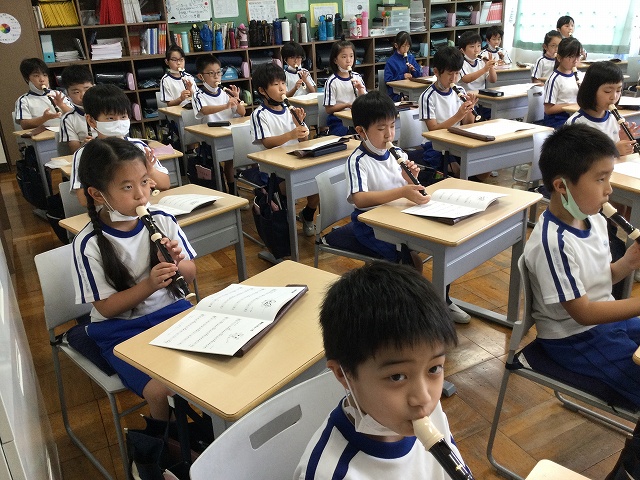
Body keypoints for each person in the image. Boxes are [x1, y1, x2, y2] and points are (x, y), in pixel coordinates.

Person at [294, 261, 468, 478]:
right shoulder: (330, 473)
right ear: (342, 374)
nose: (423, 397)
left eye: (434, 369)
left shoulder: (427, 412)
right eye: (397, 376)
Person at [72, 137, 196, 420]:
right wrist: (149, 285)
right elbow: (106, 308)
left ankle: (207, 429)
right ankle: (165, 438)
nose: (141, 195)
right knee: (160, 390)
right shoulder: (88, 243)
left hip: (171, 311)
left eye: (144, 182)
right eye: (127, 187)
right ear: (98, 194)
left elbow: (190, 274)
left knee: (212, 363)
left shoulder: (162, 218)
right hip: (120, 330)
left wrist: (177, 264)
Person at [524, 124, 640, 409]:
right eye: (601, 179)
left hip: (607, 323)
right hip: (575, 340)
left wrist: (628, 262)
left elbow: (600, 279)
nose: (609, 189)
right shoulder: (553, 243)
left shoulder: (594, 218)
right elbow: (584, 313)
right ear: (561, 186)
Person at [339, 91, 470, 323]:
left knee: (443, 245)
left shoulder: (396, 152)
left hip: (398, 215)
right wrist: (402, 191)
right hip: (369, 224)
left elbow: (408, 188)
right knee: (410, 261)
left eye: (392, 126)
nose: (389, 134)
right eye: (381, 128)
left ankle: (442, 300)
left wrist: (410, 179)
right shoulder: (357, 160)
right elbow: (359, 199)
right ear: (361, 131)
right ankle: (406, 307)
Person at [70, 84, 170, 204]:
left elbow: (165, 184)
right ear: (91, 120)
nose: (119, 122)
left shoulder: (139, 146)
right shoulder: (84, 154)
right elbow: (84, 200)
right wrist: (124, 192)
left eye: (123, 116)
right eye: (110, 118)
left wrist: (150, 172)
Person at [249, 63, 318, 238]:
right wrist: (291, 134)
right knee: (288, 187)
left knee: (319, 182)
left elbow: (304, 140)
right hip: (273, 167)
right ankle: (284, 223)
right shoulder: (259, 114)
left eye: (283, 83)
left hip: (295, 160)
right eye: (275, 84)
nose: (282, 88)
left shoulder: (290, 110)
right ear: (262, 91)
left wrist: (300, 129)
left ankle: (308, 214)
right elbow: (267, 142)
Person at [418, 46, 484, 182]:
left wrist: (469, 110)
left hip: (458, 140)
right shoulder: (427, 96)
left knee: (484, 170)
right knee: (458, 171)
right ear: (436, 72)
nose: (453, 79)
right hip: (435, 144)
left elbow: (467, 124)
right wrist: (458, 115)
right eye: (449, 74)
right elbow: (433, 130)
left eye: (457, 73)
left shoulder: (460, 90)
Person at [193, 53, 246, 194]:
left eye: (218, 72)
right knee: (219, 163)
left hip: (228, 133)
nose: (216, 77)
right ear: (201, 77)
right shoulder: (198, 95)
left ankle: (233, 190)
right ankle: (220, 188)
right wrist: (226, 106)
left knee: (231, 161)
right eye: (211, 73)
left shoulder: (225, 92)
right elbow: (204, 110)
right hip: (210, 138)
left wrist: (237, 99)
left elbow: (242, 113)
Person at [566, 61, 639, 156]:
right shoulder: (575, 124)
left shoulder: (616, 119)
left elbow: (620, 158)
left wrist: (624, 141)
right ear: (591, 91)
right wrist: (614, 150)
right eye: (607, 91)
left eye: (618, 90)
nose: (614, 97)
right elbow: (577, 160)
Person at [323, 40, 367, 136]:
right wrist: (346, 105)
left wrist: (360, 89)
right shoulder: (332, 81)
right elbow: (329, 109)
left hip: (357, 117)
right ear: (335, 60)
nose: (348, 60)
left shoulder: (357, 77)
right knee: (348, 135)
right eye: (344, 57)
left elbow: (365, 101)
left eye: (351, 56)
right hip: (338, 120)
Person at [15, 57, 72, 129]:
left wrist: (62, 105)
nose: (42, 79)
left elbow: (75, 115)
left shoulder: (58, 94)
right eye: (36, 76)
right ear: (27, 79)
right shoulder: (24, 100)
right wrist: (44, 118)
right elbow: (24, 125)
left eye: (45, 75)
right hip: (42, 135)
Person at [542, 36, 583, 128]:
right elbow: (548, 109)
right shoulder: (554, 79)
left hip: (574, 116)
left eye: (578, 56)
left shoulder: (580, 75)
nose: (575, 61)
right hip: (558, 119)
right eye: (571, 57)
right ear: (559, 58)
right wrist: (570, 105)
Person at [59, 65, 95, 153]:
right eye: (76, 92)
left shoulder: (106, 111)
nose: (83, 95)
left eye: (87, 89)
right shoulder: (68, 119)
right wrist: (85, 145)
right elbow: (74, 151)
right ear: (67, 94)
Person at [384, 31, 422, 102]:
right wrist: (402, 76)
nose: (406, 49)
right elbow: (388, 80)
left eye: (408, 46)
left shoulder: (410, 58)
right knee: (407, 98)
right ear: (396, 45)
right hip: (396, 93)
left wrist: (413, 70)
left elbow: (419, 75)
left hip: (410, 89)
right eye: (403, 46)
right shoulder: (391, 62)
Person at [457, 31, 497, 95]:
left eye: (478, 46)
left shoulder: (481, 61)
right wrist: (484, 69)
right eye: (472, 46)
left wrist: (491, 67)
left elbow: (493, 80)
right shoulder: (460, 63)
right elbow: (466, 79)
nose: (476, 50)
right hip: (466, 96)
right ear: (462, 50)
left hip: (481, 96)